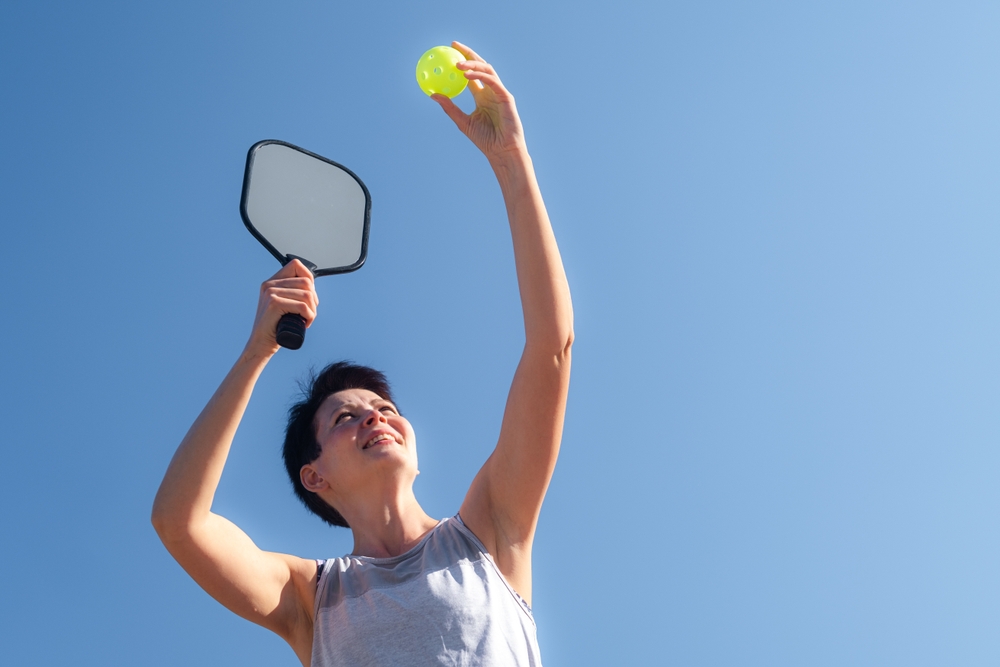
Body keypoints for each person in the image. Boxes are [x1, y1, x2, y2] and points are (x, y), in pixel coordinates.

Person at [152, 41, 573, 667]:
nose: (376, 416)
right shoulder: (310, 598)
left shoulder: (491, 531)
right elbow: (180, 524)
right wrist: (255, 353)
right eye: (346, 417)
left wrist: (512, 161)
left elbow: (551, 349)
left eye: (382, 407)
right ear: (314, 476)